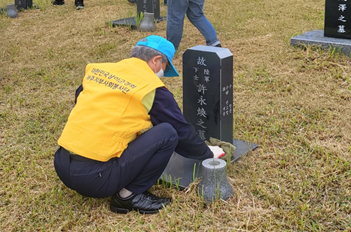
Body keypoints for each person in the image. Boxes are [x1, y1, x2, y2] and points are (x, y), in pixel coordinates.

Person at [54, 35, 225, 214]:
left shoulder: (100, 70)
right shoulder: (151, 88)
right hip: (97, 180)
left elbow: (82, 101)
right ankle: (127, 197)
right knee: (167, 133)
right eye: (165, 70)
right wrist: (207, 153)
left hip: (61, 163)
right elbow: (180, 131)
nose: (163, 76)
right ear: (156, 61)